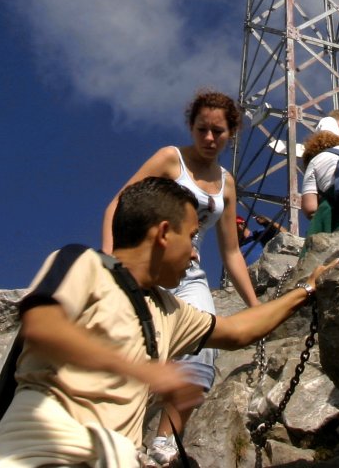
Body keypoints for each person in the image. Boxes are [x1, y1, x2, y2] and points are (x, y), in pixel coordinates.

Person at [0, 177, 339, 468]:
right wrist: (145, 371)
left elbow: (237, 331)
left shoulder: (170, 310)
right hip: (39, 449)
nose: (197, 252)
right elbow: (42, 328)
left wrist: (306, 289)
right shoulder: (81, 262)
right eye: (192, 236)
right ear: (164, 234)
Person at [99, 90, 261, 467]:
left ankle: (165, 442)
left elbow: (232, 252)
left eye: (218, 131)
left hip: (189, 274)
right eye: (202, 129)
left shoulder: (226, 183)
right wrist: (109, 260)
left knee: (205, 346)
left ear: (231, 134)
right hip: (144, 265)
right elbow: (118, 202)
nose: (209, 138)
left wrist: (255, 306)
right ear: (191, 127)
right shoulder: (170, 159)